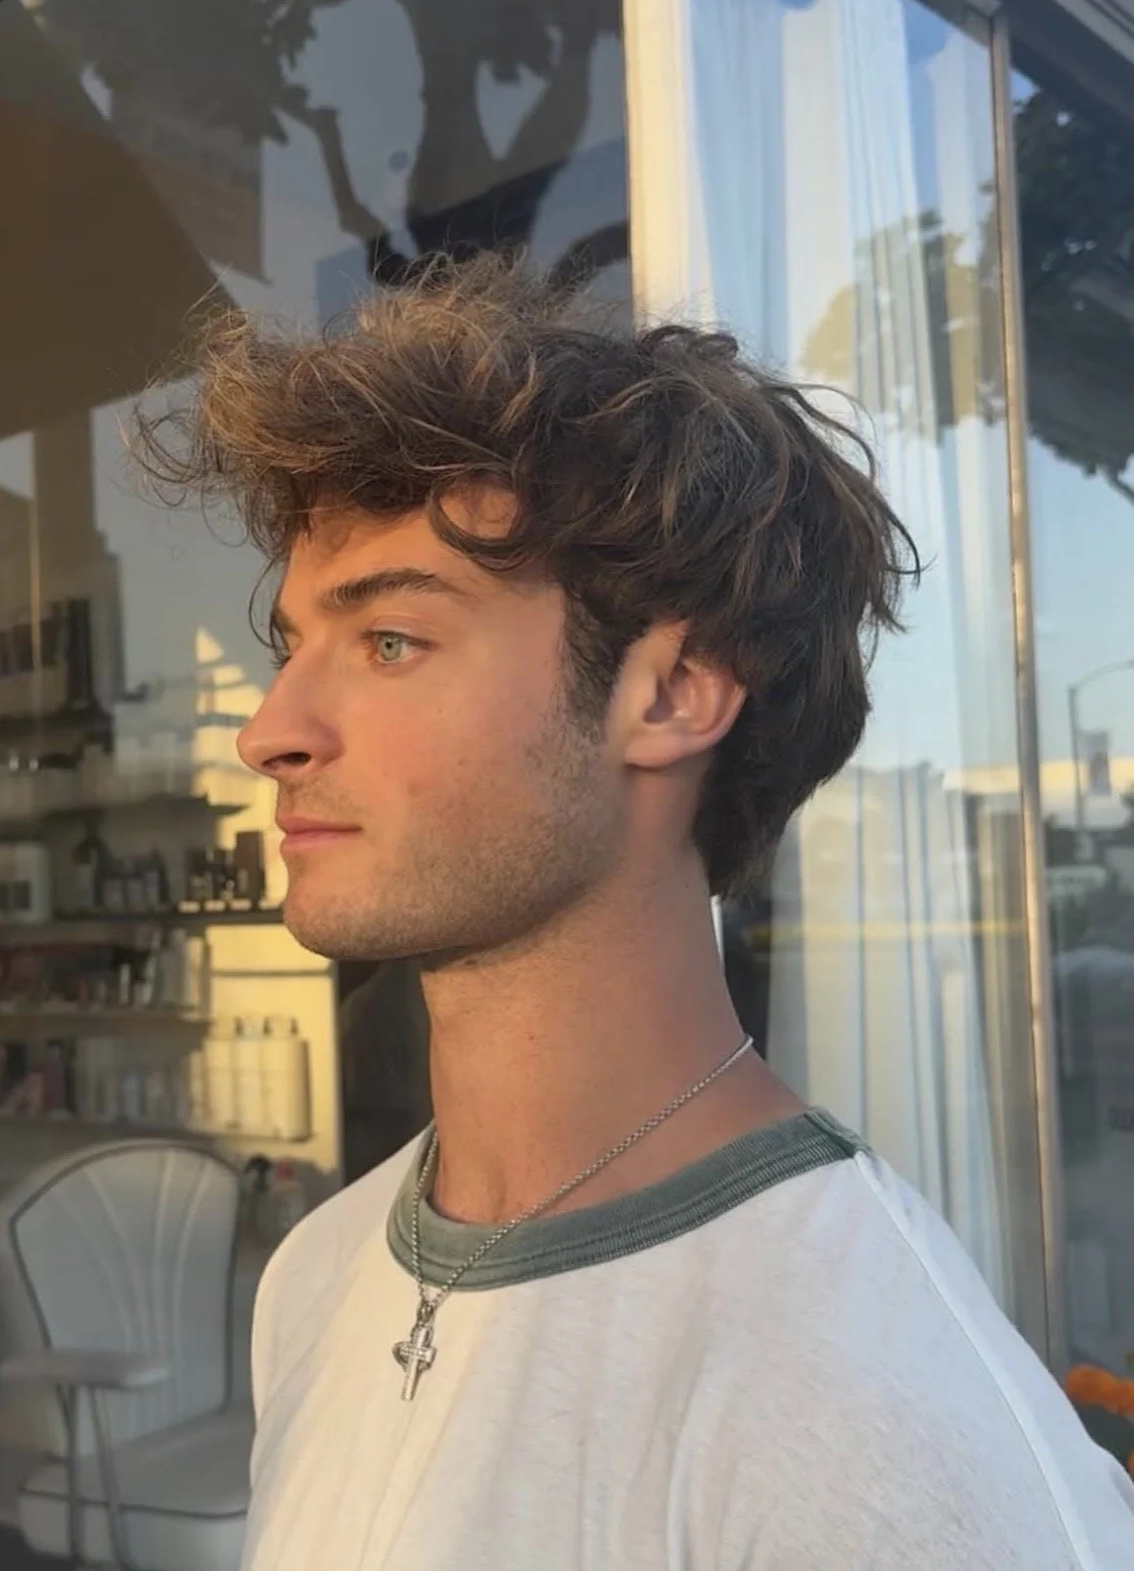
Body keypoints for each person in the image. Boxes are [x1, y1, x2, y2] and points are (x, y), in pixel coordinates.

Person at [143, 255, 1134, 1568]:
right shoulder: (317, 1279)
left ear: (670, 698)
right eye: (293, 650)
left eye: (390, 642)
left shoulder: (877, 1423)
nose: (271, 731)